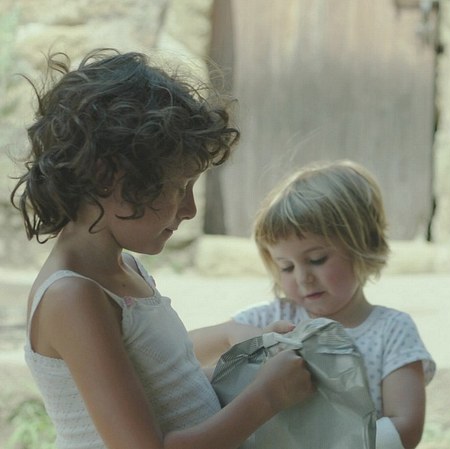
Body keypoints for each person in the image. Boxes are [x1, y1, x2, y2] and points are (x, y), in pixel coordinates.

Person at [10, 49, 314, 449]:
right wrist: (268, 396)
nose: (189, 210)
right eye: (179, 187)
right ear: (107, 178)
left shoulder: (125, 269)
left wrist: (249, 360)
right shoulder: (72, 296)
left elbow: (174, 389)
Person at [190, 160, 436, 449]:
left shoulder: (392, 331)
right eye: (286, 266)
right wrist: (229, 333)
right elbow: (176, 359)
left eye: (317, 260)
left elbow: (406, 426)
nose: (303, 277)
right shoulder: (266, 320)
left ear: (363, 246)